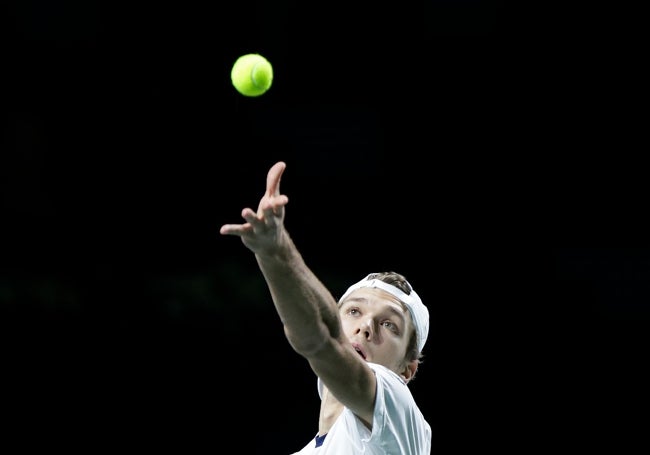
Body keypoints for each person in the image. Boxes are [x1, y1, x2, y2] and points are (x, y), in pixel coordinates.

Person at [220, 161, 432, 454]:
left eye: (389, 325)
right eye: (354, 311)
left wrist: (276, 251)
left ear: (406, 371)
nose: (366, 327)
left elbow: (323, 339)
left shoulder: (398, 412)